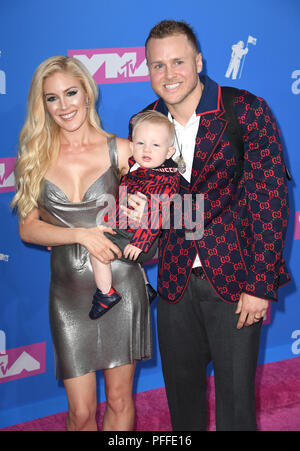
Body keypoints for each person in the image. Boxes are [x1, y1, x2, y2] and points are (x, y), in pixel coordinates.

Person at [128, 20, 291, 431]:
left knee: (236, 408)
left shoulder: (244, 109)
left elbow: (270, 202)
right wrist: (135, 218)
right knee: (183, 406)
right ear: (148, 69)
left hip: (236, 282)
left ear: (198, 61)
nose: (168, 75)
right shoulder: (144, 125)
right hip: (174, 284)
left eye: (178, 61)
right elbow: (146, 205)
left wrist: (259, 285)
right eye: (157, 65)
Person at [11, 55, 152, 431]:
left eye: (71, 93)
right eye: (52, 98)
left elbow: (155, 220)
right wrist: (79, 233)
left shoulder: (122, 150)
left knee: (121, 400)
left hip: (120, 287)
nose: (64, 106)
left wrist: (143, 216)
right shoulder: (33, 158)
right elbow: (28, 229)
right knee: (80, 412)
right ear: (42, 105)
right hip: (69, 295)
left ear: (87, 93)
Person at [89, 110, 179, 320]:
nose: (146, 149)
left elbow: (155, 216)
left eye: (155, 145)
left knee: (96, 249)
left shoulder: (164, 181)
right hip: (129, 231)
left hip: (141, 239)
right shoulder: (139, 168)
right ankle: (146, 287)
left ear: (169, 152)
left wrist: (139, 242)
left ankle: (105, 294)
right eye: (140, 144)